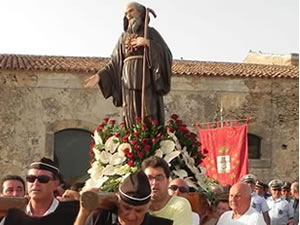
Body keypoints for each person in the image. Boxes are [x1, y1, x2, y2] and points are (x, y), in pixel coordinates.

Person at [84, 2, 172, 128]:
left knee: (149, 112)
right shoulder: (122, 37)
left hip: (147, 80)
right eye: (125, 13)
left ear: (140, 13)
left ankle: (151, 143)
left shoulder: (151, 32)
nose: (128, 15)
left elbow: (166, 54)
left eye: (131, 11)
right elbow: (114, 62)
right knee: (131, 113)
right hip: (127, 82)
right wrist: (99, 76)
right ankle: (133, 138)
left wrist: (147, 43)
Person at [74, 170, 173, 225]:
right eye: (126, 208)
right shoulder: (100, 218)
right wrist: (83, 214)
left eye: (139, 211)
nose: (131, 216)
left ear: (148, 207)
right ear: (118, 202)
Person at [1, 157, 79, 225]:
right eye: (31, 178)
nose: (35, 183)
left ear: (56, 184)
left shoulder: (72, 213)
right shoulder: (11, 217)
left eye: (43, 179)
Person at [142, 156, 193, 225]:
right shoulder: (136, 206)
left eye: (159, 177)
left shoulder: (180, 205)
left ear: (168, 181)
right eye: (149, 178)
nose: (154, 183)